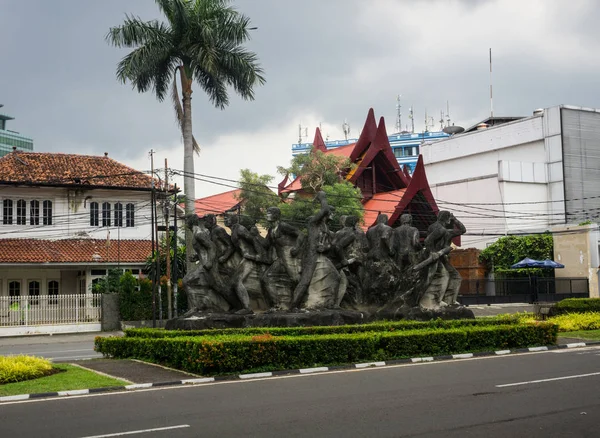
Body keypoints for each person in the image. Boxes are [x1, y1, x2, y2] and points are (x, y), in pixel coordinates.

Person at [419, 211, 466, 308]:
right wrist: (432, 253)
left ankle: (449, 300)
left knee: (455, 276)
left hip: (441, 257)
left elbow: (463, 230)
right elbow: (428, 241)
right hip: (435, 257)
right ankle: (436, 301)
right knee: (444, 276)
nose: (450, 220)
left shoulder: (446, 231)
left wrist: (455, 219)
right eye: (450, 218)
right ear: (447, 219)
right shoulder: (439, 229)